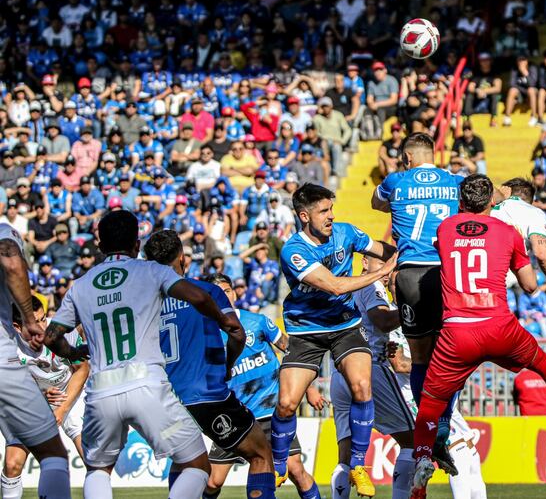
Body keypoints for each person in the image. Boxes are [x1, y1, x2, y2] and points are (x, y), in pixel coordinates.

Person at [410, 175, 546, 498]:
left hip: (458, 330)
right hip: (498, 325)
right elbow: (529, 285)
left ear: (461, 203)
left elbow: (447, 254)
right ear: (492, 202)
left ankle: (424, 457)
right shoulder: (508, 232)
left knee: (431, 400)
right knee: (543, 364)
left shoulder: (445, 228)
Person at [43, 210, 242, 499]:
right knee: (197, 465)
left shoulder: (81, 285)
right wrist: (224, 321)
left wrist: (75, 354)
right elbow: (199, 296)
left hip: (101, 391)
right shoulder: (151, 270)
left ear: (99, 246)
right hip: (147, 384)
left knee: (98, 469)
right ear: (137, 245)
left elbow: (51, 337)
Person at [272, 183, 396, 497]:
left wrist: (405, 259)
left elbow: (384, 251)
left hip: (345, 326)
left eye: (331, 209)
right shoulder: (294, 250)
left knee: (361, 386)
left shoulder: (346, 232)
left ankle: (357, 465)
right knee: (287, 404)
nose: (331, 216)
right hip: (305, 331)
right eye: (324, 211)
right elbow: (336, 287)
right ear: (304, 216)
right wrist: (381, 273)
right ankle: (278, 463)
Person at [142, 231, 279, 499]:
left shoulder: (143, 302)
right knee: (261, 453)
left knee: (186, 462)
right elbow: (237, 333)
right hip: (205, 393)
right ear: (183, 259)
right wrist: (227, 364)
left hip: (161, 399)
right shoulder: (206, 291)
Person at [370, 132, 463, 474]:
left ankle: (428, 430)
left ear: (407, 158)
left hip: (410, 274)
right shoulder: (455, 180)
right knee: (451, 356)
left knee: (420, 357)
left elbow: (377, 203)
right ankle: (442, 428)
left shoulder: (396, 180)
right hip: (447, 273)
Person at [201, 273, 321, 499]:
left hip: (270, 412)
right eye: (216, 293)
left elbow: (292, 352)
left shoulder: (257, 322)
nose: (223, 296)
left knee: (296, 469)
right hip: (236, 415)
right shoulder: (208, 334)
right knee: (213, 481)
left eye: (226, 290)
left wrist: (310, 388)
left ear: (234, 292)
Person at [330, 251, 415, 499]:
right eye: (383, 262)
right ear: (365, 263)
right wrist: (413, 311)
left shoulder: (345, 287)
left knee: (345, 453)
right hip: (369, 369)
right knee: (411, 440)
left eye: (392, 263)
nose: (388, 269)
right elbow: (382, 321)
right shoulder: (372, 284)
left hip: (339, 372)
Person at [0, 223, 72, 499]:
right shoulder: (4, 233)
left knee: (14, 460)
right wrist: (29, 319)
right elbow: (13, 265)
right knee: (53, 455)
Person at [2, 295, 86, 499]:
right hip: (32, 398)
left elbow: (83, 368)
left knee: (92, 459)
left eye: (42, 319)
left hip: (70, 392)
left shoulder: (59, 331)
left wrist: (62, 409)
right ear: (16, 326)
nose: (41, 328)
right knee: (13, 463)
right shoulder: (8, 344)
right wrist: (40, 393)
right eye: (34, 323)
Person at [493, 177, 546, 301]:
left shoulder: (487, 209)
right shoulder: (535, 213)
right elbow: (542, 253)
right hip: (503, 285)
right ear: (531, 200)